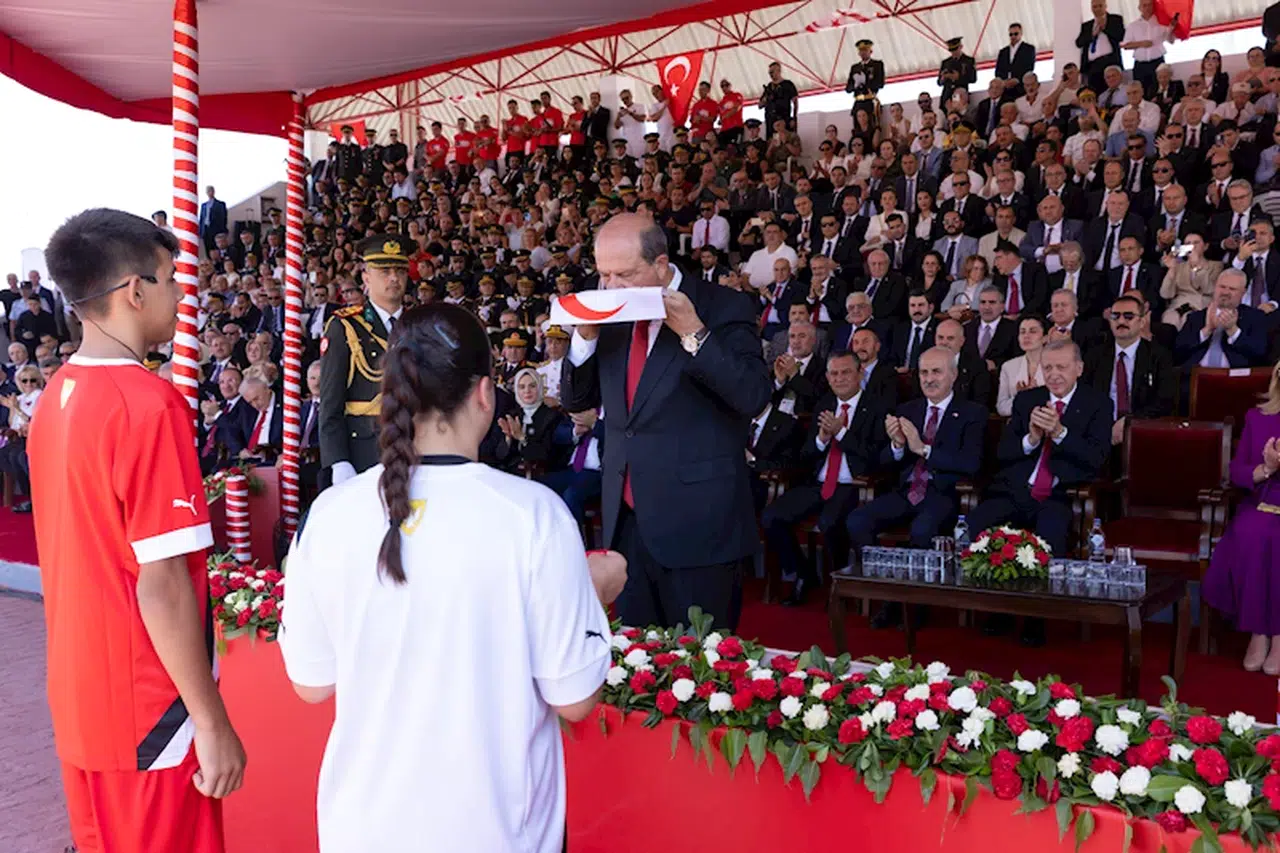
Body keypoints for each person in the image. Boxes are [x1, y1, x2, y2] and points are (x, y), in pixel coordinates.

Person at [280, 303, 626, 852]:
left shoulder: (329, 514)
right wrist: (593, 590)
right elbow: (575, 696)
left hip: (361, 829)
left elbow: (311, 683)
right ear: (485, 394)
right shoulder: (533, 515)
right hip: (494, 832)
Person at [33, 208, 245, 853]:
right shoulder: (148, 405)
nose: (181, 295)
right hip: (149, 709)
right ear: (134, 291)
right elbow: (163, 583)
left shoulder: (55, 396)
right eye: (171, 278)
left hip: (82, 695)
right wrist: (211, 721)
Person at [562, 213, 771, 629]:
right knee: (637, 656)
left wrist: (694, 333)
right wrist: (584, 338)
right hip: (625, 522)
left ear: (660, 264)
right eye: (604, 274)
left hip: (699, 524)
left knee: (704, 658)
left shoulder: (722, 305)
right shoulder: (609, 308)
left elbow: (752, 395)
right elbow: (577, 400)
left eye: (624, 275)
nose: (611, 287)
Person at [967, 340, 1112, 645]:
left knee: (1051, 532)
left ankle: (1036, 616)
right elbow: (1004, 452)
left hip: (1059, 494)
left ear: (1079, 369)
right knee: (979, 523)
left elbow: (1097, 458)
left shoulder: (1097, 403)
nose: (1054, 374)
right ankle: (998, 607)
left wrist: (1060, 434)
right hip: (1016, 490)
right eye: (1048, 368)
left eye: (1062, 367)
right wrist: (1031, 439)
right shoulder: (1027, 400)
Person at [851, 347, 987, 629]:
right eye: (924, 372)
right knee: (857, 520)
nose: (929, 379)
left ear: (953, 375)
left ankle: (916, 604)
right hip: (907, 490)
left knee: (923, 529)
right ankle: (889, 595)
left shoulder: (973, 413)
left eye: (936, 372)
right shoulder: (907, 410)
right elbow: (882, 461)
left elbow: (971, 463)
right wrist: (897, 445)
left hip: (944, 494)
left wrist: (923, 449)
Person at [762, 351, 889, 605]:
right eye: (834, 374)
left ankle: (841, 584)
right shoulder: (825, 404)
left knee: (830, 522)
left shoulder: (877, 407)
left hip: (854, 484)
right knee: (771, 516)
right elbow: (805, 455)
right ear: (828, 378)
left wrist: (841, 433)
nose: (839, 379)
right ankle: (803, 573)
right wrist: (821, 439)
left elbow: (876, 458)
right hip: (818, 482)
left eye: (846, 372)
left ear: (860, 374)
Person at [1202, 360, 1280, 673]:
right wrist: (1267, 468)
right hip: (1262, 502)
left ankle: (1279, 635)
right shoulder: (1257, 417)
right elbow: (1237, 471)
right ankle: (1257, 631)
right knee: (1254, 533)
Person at [319, 234, 407, 487]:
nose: (394, 278)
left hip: (414, 448)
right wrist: (338, 460)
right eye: (384, 271)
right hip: (365, 452)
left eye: (400, 271)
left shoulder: (420, 325)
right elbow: (330, 401)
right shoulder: (345, 327)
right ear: (366, 278)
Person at [997, 315, 1048, 417]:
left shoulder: (1056, 364)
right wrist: (1021, 397)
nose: (1026, 336)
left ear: (1045, 338)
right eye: (1022, 332)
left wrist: (1034, 396)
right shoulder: (1008, 366)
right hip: (1018, 422)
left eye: (1033, 331)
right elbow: (1001, 408)